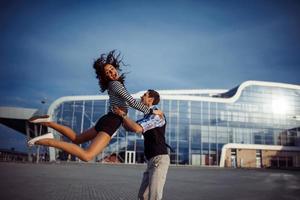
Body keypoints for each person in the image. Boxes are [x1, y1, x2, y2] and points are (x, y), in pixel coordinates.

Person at [28, 50, 162, 162]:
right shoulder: (115, 84)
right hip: (111, 121)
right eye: (108, 73)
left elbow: (127, 108)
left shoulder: (114, 85)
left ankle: (48, 122)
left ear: (115, 68)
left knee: (76, 138)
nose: (111, 72)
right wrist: (150, 111)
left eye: (112, 69)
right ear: (105, 77)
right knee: (87, 155)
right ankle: (44, 141)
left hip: (108, 118)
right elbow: (131, 102)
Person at [113, 89, 170, 200]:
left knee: (153, 197)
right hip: (151, 160)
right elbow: (130, 127)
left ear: (151, 99)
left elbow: (137, 128)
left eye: (145, 95)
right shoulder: (147, 116)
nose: (142, 96)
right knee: (143, 196)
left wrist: (123, 115)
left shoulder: (156, 116)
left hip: (159, 159)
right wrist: (121, 116)